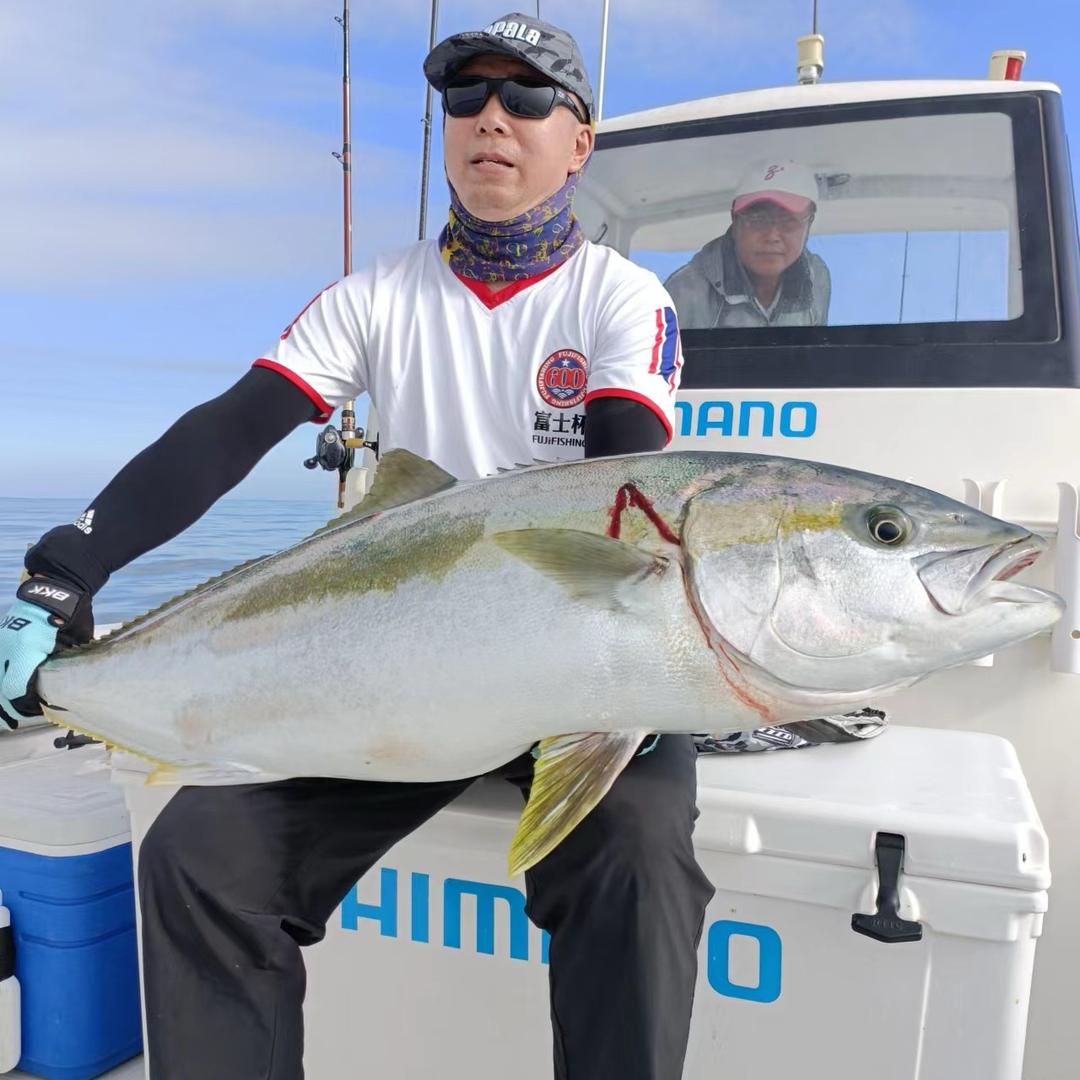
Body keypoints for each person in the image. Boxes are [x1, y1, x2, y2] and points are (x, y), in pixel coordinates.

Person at [0, 13, 713, 1080]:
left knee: (640, 859)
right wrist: (64, 569)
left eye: (526, 99)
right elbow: (232, 428)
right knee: (201, 858)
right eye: (465, 97)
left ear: (580, 141)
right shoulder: (377, 294)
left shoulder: (620, 298)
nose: (491, 120)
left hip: (579, 680)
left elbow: (624, 478)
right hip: (406, 679)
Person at [666, 159, 831, 328]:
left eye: (787, 220)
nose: (772, 235)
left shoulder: (816, 276)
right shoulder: (684, 291)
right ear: (734, 220)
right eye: (757, 219)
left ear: (809, 222)